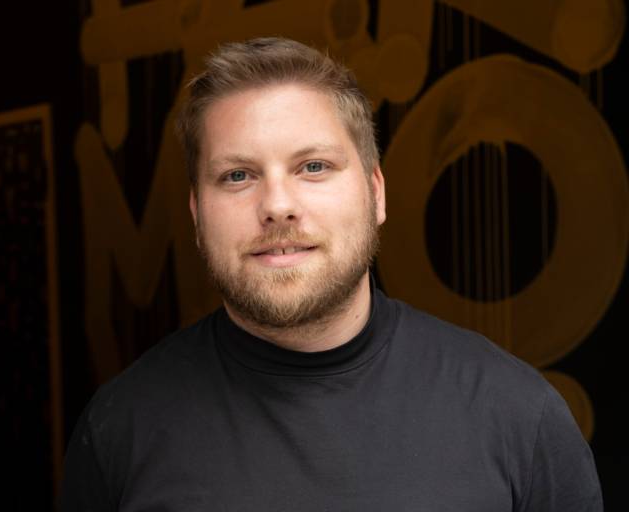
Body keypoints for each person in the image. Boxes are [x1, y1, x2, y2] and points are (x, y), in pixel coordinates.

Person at [61, 37, 602, 511]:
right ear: (198, 214)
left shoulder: (517, 415)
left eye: (313, 166)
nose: (277, 205)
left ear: (376, 192)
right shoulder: (118, 430)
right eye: (237, 175)